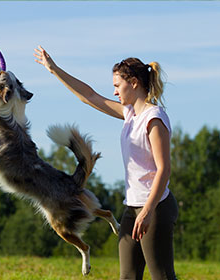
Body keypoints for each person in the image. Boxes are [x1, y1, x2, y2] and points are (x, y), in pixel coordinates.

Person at [34, 46, 178, 280]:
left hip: (156, 208)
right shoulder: (130, 114)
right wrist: (54, 70)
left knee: (162, 277)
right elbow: (89, 96)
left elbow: (164, 169)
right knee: (128, 277)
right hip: (133, 207)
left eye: (117, 86)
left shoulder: (154, 118)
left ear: (133, 82)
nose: (114, 92)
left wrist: (149, 211)